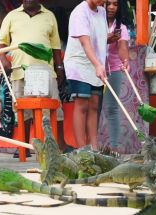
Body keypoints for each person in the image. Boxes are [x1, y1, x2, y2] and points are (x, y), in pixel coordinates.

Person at [0, 0, 66, 157]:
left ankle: (54, 147)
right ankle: (24, 146)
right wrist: (4, 59)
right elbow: (0, 43)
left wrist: (59, 67)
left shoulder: (49, 16)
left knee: (51, 110)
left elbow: (55, 46)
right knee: (22, 111)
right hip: (20, 71)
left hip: (45, 72)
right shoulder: (12, 16)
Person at [64, 0, 107, 150]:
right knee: (82, 104)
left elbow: (99, 37)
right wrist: (97, 65)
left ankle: (94, 148)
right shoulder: (79, 12)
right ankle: (82, 150)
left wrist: (100, 64)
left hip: (96, 63)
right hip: (79, 63)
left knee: (94, 105)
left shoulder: (102, 11)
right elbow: (85, 43)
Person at [103, 0, 129, 151]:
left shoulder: (122, 28)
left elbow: (122, 46)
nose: (111, 7)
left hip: (114, 69)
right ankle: (90, 148)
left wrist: (125, 61)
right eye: (108, 3)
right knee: (94, 108)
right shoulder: (95, 23)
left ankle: (114, 148)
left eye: (115, 4)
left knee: (112, 108)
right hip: (94, 69)